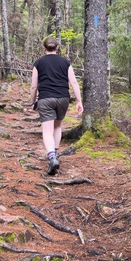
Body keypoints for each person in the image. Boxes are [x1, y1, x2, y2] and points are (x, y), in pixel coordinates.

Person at [30, 36, 83, 175]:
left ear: (43, 47)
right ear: (57, 47)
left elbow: (34, 86)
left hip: (46, 99)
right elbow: (74, 82)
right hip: (63, 98)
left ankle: (52, 158)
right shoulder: (65, 62)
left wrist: (32, 101)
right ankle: (55, 154)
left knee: (47, 131)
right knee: (57, 126)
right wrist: (79, 101)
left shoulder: (38, 63)